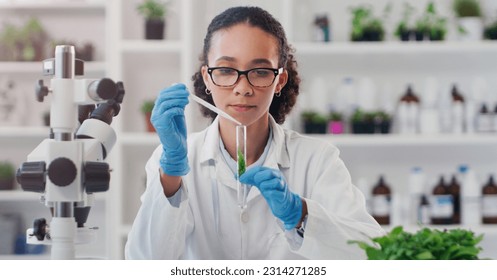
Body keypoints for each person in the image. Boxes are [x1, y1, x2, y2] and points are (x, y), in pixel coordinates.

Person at [125, 6, 384, 260]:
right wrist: (171, 175)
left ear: (279, 80)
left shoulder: (317, 160)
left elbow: (370, 252)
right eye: (226, 70)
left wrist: (301, 216)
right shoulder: (176, 158)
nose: (243, 88)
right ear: (206, 78)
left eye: (260, 72)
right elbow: (145, 261)